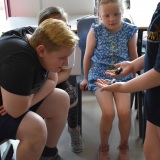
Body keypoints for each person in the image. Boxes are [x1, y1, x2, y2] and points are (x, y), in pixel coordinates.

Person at [0, 18, 78, 160]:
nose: (66, 63)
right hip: (3, 109)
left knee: (61, 99)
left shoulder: (39, 36)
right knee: (36, 127)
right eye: (62, 58)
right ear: (41, 50)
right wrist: (18, 105)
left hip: (13, 103)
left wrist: (23, 101)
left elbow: (52, 80)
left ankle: (48, 155)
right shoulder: (18, 56)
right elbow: (16, 111)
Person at [96, 2, 160, 160]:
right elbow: (155, 50)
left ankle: (123, 146)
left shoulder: (128, 30)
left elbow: (158, 73)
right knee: (151, 149)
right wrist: (133, 65)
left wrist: (124, 86)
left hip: (154, 86)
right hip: (155, 98)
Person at [80, 0, 138, 159]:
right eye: (106, 15)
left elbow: (134, 57)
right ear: (99, 16)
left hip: (122, 73)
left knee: (125, 112)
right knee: (108, 112)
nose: (112, 19)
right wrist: (85, 78)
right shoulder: (96, 31)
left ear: (122, 13)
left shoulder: (129, 30)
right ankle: (103, 146)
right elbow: (87, 56)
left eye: (116, 14)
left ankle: (124, 146)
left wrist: (134, 78)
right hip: (99, 73)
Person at [38, 6, 83, 153]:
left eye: (62, 26)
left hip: (55, 78)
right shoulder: (37, 42)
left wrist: (48, 85)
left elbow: (65, 72)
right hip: (36, 81)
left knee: (71, 97)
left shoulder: (68, 42)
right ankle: (42, 134)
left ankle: (73, 128)